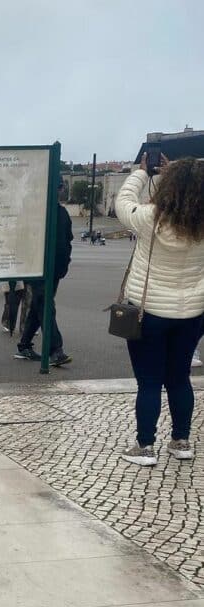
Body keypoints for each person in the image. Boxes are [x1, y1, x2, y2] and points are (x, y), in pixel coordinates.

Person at [114, 156, 204, 465]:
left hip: (148, 311)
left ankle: (145, 446)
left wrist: (142, 173)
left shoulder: (151, 217)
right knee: (179, 377)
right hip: (192, 312)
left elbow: (123, 202)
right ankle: (181, 441)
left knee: (149, 381)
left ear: (169, 186)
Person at [14, 179, 73, 366]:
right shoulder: (38, 213)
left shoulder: (61, 213)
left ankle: (24, 345)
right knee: (46, 305)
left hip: (54, 269)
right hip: (36, 267)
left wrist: (63, 266)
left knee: (39, 306)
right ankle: (55, 349)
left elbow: (66, 242)